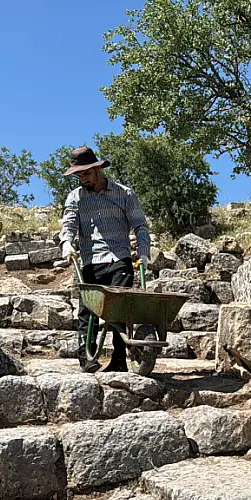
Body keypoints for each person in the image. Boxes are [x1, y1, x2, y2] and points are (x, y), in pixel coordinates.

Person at [59, 145, 151, 373]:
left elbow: (140, 225)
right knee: (86, 312)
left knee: (118, 310)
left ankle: (119, 360)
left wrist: (144, 252)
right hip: (91, 261)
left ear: (98, 169)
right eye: (79, 175)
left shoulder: (124, 193)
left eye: (86, 173)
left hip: (119, 259)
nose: (83, 179)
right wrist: (67, 243)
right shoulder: (75, 197)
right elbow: (68, 224)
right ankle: (87, 359)